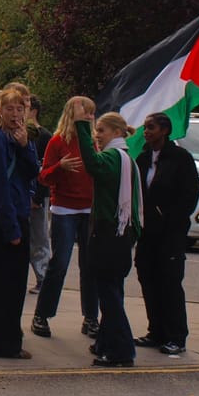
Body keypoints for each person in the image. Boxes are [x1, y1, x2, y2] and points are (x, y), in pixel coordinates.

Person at [72, 104, 143, 368]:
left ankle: (122, 350)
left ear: (116, 131)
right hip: (120, 235)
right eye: (94, 130)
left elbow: (92, 165)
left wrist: (80, 126)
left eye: (100, 130)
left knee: (109, 294)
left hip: (109, 234)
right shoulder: (126, 158)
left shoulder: (114, 158)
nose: (96, 135)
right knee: (112, 291)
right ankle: (106, 342)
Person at [0, 86, 40, 359]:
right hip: (7, 220)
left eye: (20, 109)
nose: (16, 114)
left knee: (12, 284)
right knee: (7, 286)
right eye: (10, 109)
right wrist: (12, 229)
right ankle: (5, 344)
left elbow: (33, 172)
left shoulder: (20, 139)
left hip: (19, 214)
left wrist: (26, 147)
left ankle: (5, 336)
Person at [31, 96, 99, 340]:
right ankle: (42, 315)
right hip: (65, 210)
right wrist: (60, 167)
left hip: (89, 209)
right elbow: (44, 177)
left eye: (93, 113)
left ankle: (91, 317)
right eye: (86, 112)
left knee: (90, 266)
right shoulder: (58, 141)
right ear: (73, 113)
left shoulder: (94, 141)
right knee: (59, 264)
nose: (91, 117)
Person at [134, 112, 199, 356]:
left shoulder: (180, 158)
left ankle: (176, 336)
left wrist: (170, 217)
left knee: (170, 283)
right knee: (147, 278)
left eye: (151, 127)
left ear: (165, 130)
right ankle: (156, 331)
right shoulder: (143, 158)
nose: (146, 132)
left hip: (170, 234)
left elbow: (190, 193)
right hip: (147, 233)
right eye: (145, 128)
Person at [26, 96, 53, 294]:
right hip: (23, 192)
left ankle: (43, 276)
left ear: (33, 110)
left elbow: (46, 168)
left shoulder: (44, 136)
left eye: (24, 107)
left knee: (39, 236)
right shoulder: (20, 134)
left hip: (36, 193)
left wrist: (39, 196)